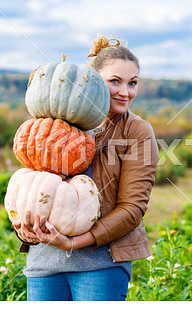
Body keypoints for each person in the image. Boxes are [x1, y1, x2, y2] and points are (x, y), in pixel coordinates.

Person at [12, 35, 159, 301]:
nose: (125, 92)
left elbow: (132, 209)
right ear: (92, 81)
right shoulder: (53, 123)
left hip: (101, 265)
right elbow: (29, 188)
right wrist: (23, 227)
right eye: (115, 81)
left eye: (132, 83)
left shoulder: (137, 131)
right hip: (44, 262)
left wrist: (72, 243)